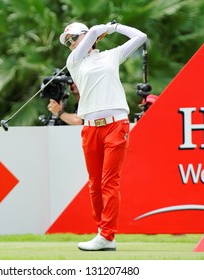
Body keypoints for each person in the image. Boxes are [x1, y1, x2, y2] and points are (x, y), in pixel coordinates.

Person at [59, 21, 147, 251]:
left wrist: (116, 27)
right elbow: (94, 33)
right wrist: (99, 29)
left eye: (72, 38)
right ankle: (102, 233)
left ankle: (107, 235)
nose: (69, 44)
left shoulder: (111, 56)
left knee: (110, 182)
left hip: (116, 125)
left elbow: (140, 36)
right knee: (94, 185)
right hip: (90, 127)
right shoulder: (74, 61)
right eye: (67, 41)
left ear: (85, 36)